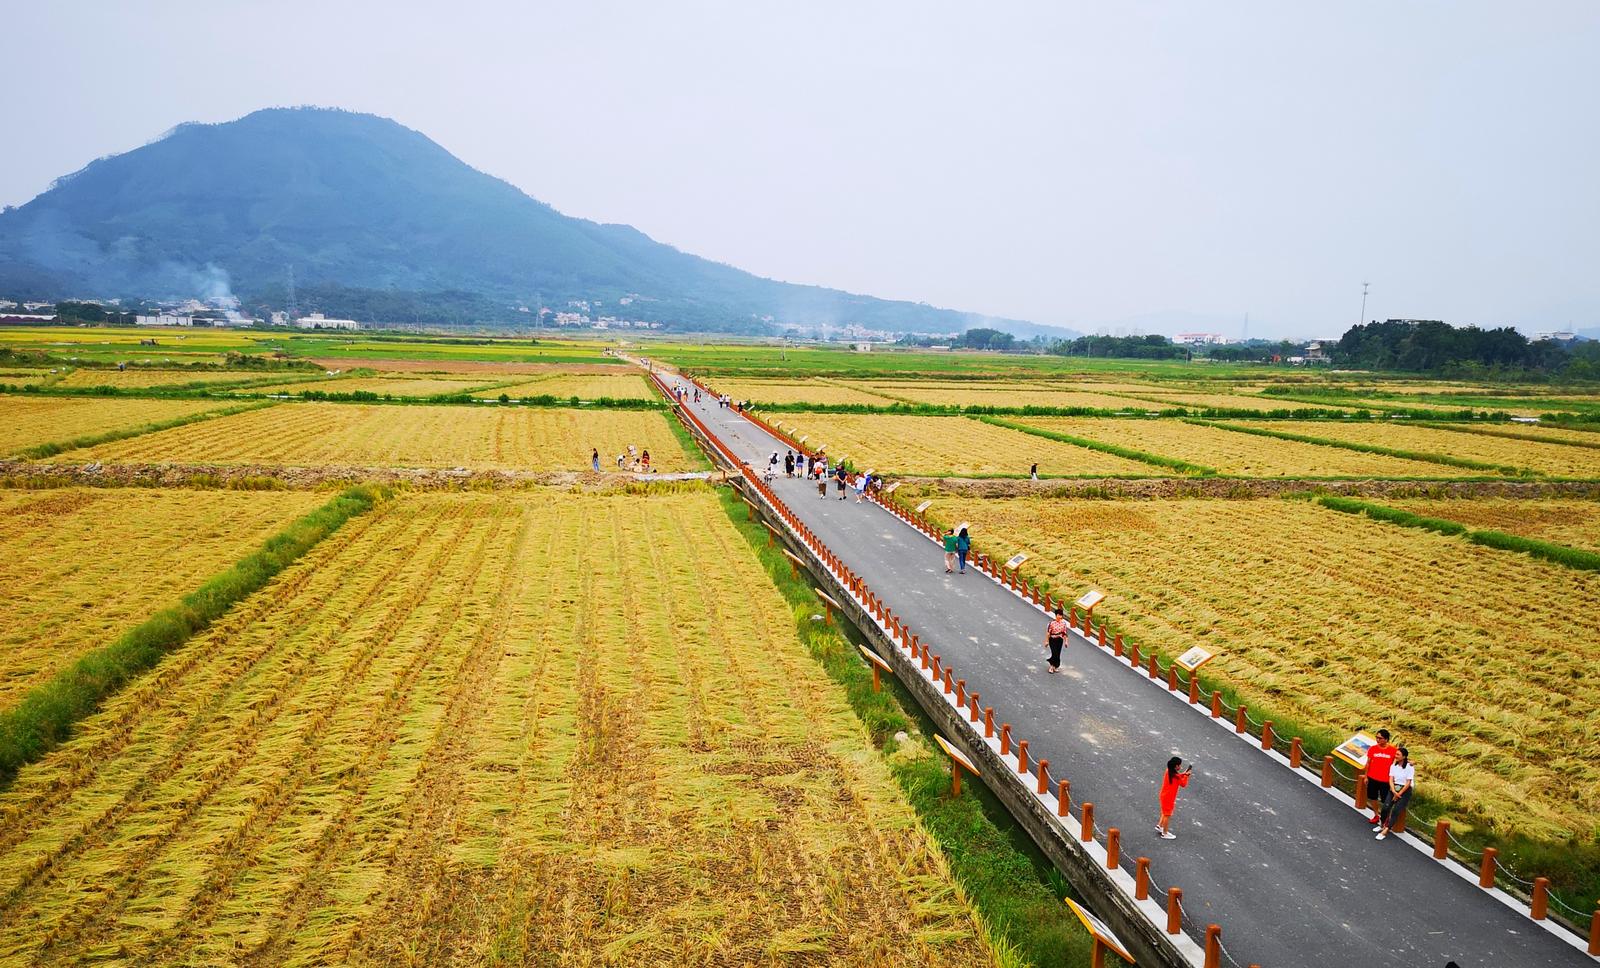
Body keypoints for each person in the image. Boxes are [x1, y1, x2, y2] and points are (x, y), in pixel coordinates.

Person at [1376, 747, 1414, 841]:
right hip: (1394, 788)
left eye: (1398, 755)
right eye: (1395, 754)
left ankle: (1387, 829)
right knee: (1385, 807)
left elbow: (1408, 782)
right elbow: (1391, 779)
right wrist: (1393, 791)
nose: (1395, 756)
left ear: (1404, 756)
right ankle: (1382, 824)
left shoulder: (1409, 767)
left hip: (1405, 790)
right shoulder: (1393, 766)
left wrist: (1399, 794)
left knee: (1396, 810)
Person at [1365, 729, 1398, 826]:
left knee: (1386, 801)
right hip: (1372, 777)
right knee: (1372, 797)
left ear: (1386, 739)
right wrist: (1366, 776)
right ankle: (1376, 815)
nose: (1377, 740)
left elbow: (1399, 762)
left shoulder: (1393, 750)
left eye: (1380, 738)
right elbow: (1368, 763)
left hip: (1386, 780)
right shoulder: (1372, 749)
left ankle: (1386, 817)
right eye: (1377, 737)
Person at [1158, 756, 1193, 839]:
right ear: (1176, 766)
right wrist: (1187, 776)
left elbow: (1177, 776)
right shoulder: (1176, 776)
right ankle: (1165, 833)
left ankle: (1160, 826)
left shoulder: (1168, 771)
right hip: (1169, 798)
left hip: (1164, 795)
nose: (1180, 767)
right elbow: (1183, 784)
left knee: (1164, 812)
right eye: (1179, 765)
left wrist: (1183, 774)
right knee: (1167, 814)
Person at [1045, 606, 1069, 673]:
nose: (1060, 616)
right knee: (1054, 653)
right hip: (1052, 639)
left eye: (1061, 615)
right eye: (1058, 615)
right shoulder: (1052, 623)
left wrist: (1066, 641)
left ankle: (1055, 666)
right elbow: (1048, 633)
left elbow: (1065, 633)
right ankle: (1051, 667)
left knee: (1058, 654)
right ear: (1056, 615)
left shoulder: (1063, 623)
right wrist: (1046, 641)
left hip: (1059, 640)